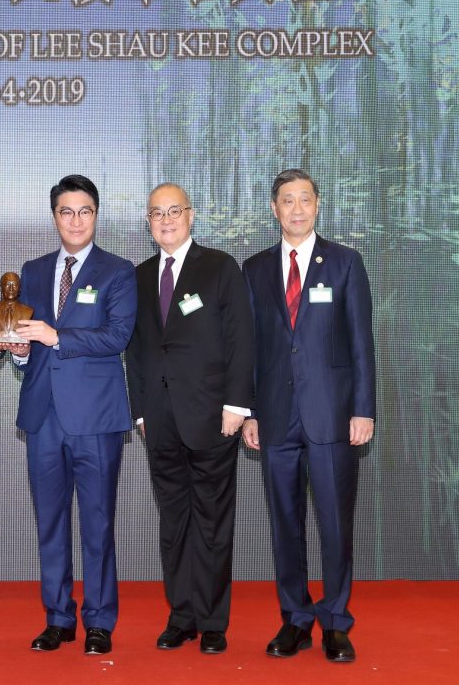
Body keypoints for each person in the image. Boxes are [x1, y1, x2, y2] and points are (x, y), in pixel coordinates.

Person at [241, 168, 376, 664]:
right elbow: (250, 350)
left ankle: (336, 623)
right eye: (286, 201)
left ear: (317, 205)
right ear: (274, 209)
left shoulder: (344, 263)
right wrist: (250, 412)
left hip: (334, 416)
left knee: (336, 524)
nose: (296, 209)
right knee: (285, 524)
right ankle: (295, 619)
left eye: (304, 200)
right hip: (275, 417)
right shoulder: (253, 269)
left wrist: (363, 409)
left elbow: (362, 343)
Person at [125, 183, 254, 654]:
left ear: (191, 215)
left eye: (174, 211)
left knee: (214, 522)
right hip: (159, 421)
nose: (166, 220)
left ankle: (214, 621)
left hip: (212, 418)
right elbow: (136, 352)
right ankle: (181, 615)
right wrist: (139, 412)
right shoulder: (137, 277)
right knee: (174, 523)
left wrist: (237, 407)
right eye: (157, 213)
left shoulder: (219, 267)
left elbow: (242, 340)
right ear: (148, 221)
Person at [11, 174, 137, 656]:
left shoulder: (117, 272)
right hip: (43, 414)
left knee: (99, 523)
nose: (76, 220)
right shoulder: (34, 269)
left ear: (96, 215)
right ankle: (58, 617)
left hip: (96, 418)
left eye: (85, 211)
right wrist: (18, 350)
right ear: (54, 218)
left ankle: (100, 621)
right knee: (50, 522)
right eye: (67, 211)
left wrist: (55, 336)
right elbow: (28, 339)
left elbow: (117, 336)